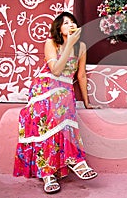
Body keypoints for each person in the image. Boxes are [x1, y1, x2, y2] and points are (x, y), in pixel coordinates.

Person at [13, 12, 100, 194]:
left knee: (63, 101)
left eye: (73, 22)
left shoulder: (82, 47)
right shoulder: (51, 42)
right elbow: (57, 70)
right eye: (65, 23)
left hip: (64, 91)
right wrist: (69, 44)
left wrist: (87, 102)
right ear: (59, 28)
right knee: (54, 109)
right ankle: (52, 172)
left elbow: (80, 75)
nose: (70, 25)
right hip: (45, 87)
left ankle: (68, 163)